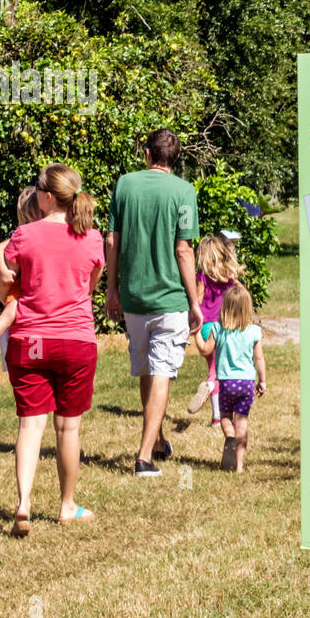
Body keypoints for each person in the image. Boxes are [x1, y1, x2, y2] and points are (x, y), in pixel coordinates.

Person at [0, 164, 104, 536]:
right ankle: (67, 505)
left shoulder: (24, 235)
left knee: (30, 426)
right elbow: (90, 286)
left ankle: (24, 502)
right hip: (76, 341)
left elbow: (6, 280)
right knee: (68, 428)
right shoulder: (92, 237)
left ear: (45, 197)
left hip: (31, 341)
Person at [105, 129, 202, 477]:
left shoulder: (125, 184)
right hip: (169, 298)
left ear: (147, 154)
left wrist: (111, 289)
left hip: (133, 296)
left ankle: (158, 440)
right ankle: (144, 456)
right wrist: (194, 301)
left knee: (146, 368)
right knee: (161, 370)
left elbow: (112, 239)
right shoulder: (184, 191)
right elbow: (183, 249)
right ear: (174, 159)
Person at [192, 283, 266, 472]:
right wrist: (262, 381)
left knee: (225, 417)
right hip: (246, 384)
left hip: (226, 384)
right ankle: (239, 465)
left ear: (224, 307)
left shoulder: (218, 329)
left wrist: (196, 335)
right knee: (241, 421)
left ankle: (229, 436)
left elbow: (204, 350)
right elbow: (259, 358)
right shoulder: (253, 331)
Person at [0, 187, 41, 372]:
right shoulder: (20, 233)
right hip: (19, 286)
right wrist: (3, 271)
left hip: (29, 286)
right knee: (12, 311)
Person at [186, 234, 245, 426]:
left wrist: (193, 328)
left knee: (214, 369)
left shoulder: (201, 277)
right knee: (218, 372)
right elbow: (241, 294)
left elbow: (198, 302)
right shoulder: (228, 277)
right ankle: (211, 389)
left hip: (205, 328)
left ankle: (217, 417)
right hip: (222, 328)